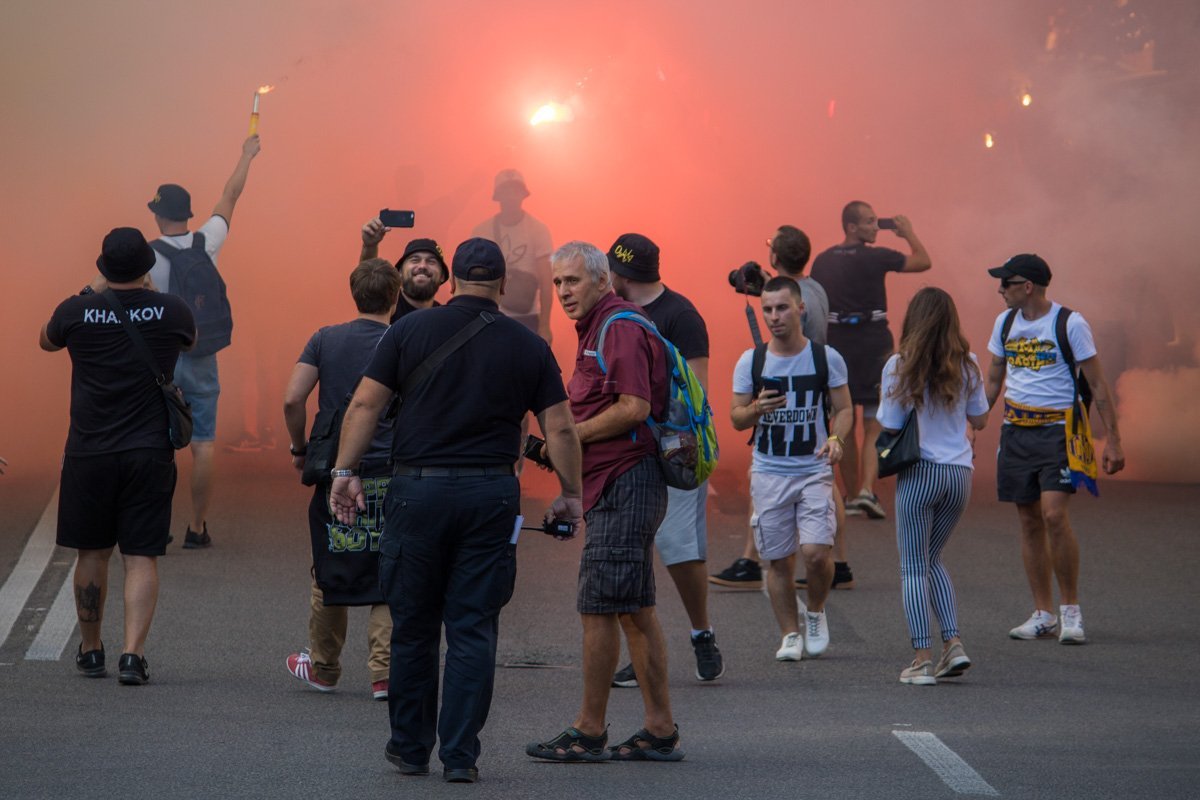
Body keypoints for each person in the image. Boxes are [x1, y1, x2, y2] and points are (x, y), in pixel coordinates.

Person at [329, 238, 583, 783]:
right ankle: (461, 757)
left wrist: (344, 473)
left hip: (415, 493)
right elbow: (558, 427)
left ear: (451, 281)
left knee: (414, 626)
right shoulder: (529, 344)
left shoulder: (407, 331)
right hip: (489, 495)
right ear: (504, 287)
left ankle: (410, 747)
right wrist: (572, 493)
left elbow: (366, 404)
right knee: (472, 627)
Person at [528, 241, 683, 764]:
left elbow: (634, 408)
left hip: (626, 482)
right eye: (557, 283)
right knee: (636, 611)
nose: (564, 291)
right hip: (621, 483)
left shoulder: (617, 326)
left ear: (602, 280)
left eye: (572, 281)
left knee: (599, 609)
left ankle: (588, 731)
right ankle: (659, 731)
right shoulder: (602, 326)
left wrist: (566, 438)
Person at [39, 227, 196, 684]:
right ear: (147, 267)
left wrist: (92, 290)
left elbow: (45, 341)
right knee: (141, 554)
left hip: (89, 450)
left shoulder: (76, 309)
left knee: (92, 551)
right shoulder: (172, 310)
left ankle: (91, 651)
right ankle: (133, 655)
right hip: (149, 450)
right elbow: (191, 342)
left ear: (104, 267)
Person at [984, 254, 1124, 644]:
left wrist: (1113, 440)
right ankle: (1042, 613)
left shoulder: (1070, 323)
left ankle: (1071, 611)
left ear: (1027, 286)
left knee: (1053, 516)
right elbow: (995, 375)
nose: (999, 290)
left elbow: (1097, 384)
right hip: (1016, 432)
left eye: (1005, 283)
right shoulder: (1005, 322)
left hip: (1059, 433)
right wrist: (974, 421)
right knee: (1028, 520)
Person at [605, 233, 724, 687]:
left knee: (679, 549)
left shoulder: (681, 315)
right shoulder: (614, 311)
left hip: (673, 449)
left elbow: (696, 391)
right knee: (630, 550)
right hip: (624, 447)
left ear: (621, 274)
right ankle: (642, 650)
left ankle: (701, 633)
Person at [281, 259, 402, 701]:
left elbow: (293, 398)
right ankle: (385, 675)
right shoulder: (403, 339)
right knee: (389, 570)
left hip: (338, 472)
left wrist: (299, 448)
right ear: (396, 294)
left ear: (353, 292)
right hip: (393, 469)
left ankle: (324, 667)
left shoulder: (325, 339)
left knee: (330, 567)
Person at [710, 226, 856, 592]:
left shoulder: (796, 299)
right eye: (768, 309)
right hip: (810, 389)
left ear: (775, 257)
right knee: (818, 480)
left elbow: (786, 340)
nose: (774, 315)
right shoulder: (812, 289)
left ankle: (759, 560)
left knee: (782, 473)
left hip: (800, 390)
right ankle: (833, 563)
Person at [146, 135, 261, 549]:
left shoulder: (148, 254)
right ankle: (197, 527)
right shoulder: (207, 240)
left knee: (156, 444)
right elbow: (231, 194)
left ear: (159, 216)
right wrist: (246, 155)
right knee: (204, 443)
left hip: (160, 359)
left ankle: (154, 527)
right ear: (188, 215)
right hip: (202, 353)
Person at [730, 277, 852, 661]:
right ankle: (789, 635)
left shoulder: (825, 357)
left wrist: (837, 439)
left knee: (816, 553)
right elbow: (735, 418)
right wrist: (754, 410)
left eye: (781, 307)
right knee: (778, 560)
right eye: (767, 309)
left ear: (801, 308)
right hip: (769, 472)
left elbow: (844, 409)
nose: (773, 316)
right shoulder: (752, 360)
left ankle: (814, 612)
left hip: (813, 469)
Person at [877, 288, 989, 685]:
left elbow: (890, 425)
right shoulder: (969, 364)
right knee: (933, 558)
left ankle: (922, 658)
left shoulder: (899, 365)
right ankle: (953, 644)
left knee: (912, 567)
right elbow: (980, 419)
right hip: (959, 474)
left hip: (920, 472)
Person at [810, 202, 930, 520]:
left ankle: (851, 495)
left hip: (837, 341)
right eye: (869, 222)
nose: (876, 227)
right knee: (873, 421)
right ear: (851, 227)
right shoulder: (877, 256)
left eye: (876, 221)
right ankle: (865, 490)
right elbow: (923, 261)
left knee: (843, 417)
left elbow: (814, 301)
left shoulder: (822, 260)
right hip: (873, 339)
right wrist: (908, 234)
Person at [470, 169, 553, 340]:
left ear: (523, 194)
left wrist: (544, 326)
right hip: (489, 314)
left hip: (527, 316)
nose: (511, 195)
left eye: (515, 190)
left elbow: (546, 281)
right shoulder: (481, 231)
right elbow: (471, 280)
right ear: (498, 195)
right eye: (506, 190)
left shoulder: (538, 230)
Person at [359, 217, 448, 321]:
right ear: (399, 272)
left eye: (431, 261)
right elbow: (368, 282)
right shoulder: (385, 308)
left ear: (442, 276)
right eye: (415, 260)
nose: (422, 266)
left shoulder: (444, 318)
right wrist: (370, 246)